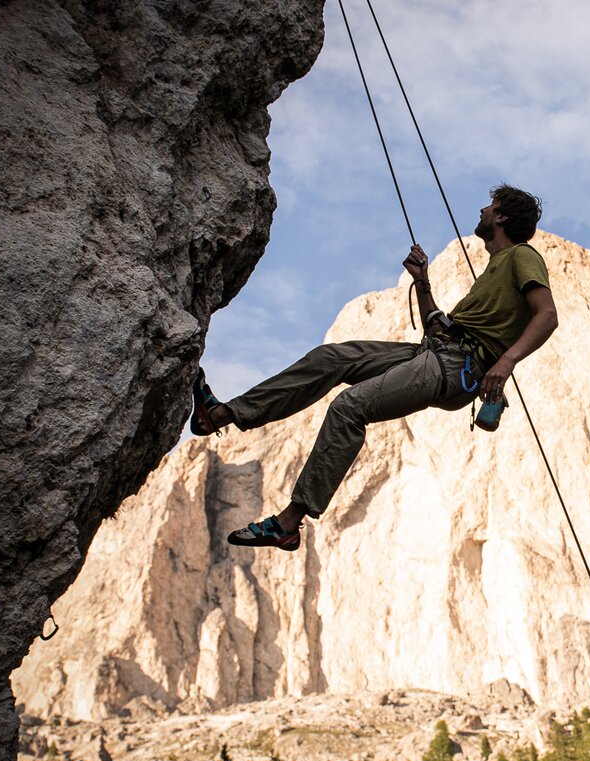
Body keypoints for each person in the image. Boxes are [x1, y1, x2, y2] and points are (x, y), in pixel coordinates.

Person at [188, 185, 558, 551]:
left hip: (454, 366)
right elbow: (434, 325)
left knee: (349, 407)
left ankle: (287, 524)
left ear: (501, 216)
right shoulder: (495, 269)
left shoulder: (522, 255)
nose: (482, 210)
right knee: (331, 359)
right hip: (436, 352)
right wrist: (422, 281)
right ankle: (220, 414)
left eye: (490, 206)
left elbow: (547, 315)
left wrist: (506, 361)